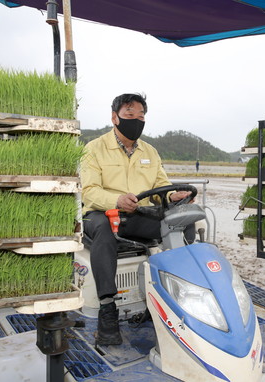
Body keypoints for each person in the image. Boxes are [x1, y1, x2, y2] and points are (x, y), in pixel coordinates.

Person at [80, 93, 193, 346]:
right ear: (115, 117)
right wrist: (117, 201)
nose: (136, 121)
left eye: (141, 116)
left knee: (182, 223)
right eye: (130, 115)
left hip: (137, 215)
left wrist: (174, 195)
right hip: (101, 213)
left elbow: (161, 186)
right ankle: (108, 310)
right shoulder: (94, 149)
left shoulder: (150, 152)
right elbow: (89, 191)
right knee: (104, 230)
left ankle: (176, 295)